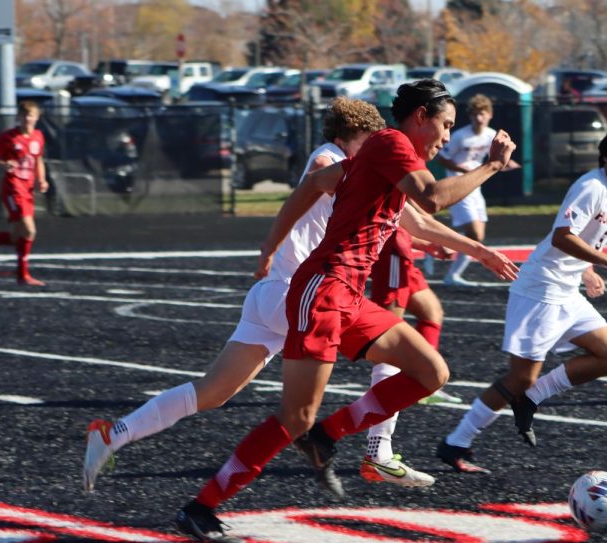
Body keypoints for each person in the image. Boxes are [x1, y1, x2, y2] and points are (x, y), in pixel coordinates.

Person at [174, 79, 518, 543]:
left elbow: (343, 195)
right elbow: (433, 198)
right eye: (445, 125)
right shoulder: (392, 144)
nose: (446, 137)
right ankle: (201, 507)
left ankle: (327, 435)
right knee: (294, 416)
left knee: (431, 372)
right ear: (420, 116)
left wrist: (477, 249)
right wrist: (491, 166)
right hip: (321, 292)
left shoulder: (386, 155)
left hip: (349, 296)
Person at [82, 97, 388, 493]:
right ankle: (376, 449)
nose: (377, 149)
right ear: (353, 135)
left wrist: (467, 247)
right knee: (397, 352)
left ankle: (113, 434)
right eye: (372, 140)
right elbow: (320, 171)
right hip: (298, 296)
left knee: (211, 393)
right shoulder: (329, 158)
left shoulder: (349, 168)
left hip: (273, 296)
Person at [436, 123, 607, 473]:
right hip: (540, 289)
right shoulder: (592, 186)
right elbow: (562, 237)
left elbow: (584, 241)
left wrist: (588, 270)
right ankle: (456, 442)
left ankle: (530, 400)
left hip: (567, 290)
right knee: (519, 378)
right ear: (606, 157)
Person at [359, 228, 460, 488]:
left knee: (431, 311)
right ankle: (377, 450)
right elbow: (425, 204)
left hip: (398, 240)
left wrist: (424, 242)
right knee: (388, 338)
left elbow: (401, 214)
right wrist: (479, 251)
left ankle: (419, 381)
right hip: (391, 245)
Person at [435, 94, 519, 286]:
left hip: (475, 186)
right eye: (474, 114)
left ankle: (441, 250)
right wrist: (463, 169)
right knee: (475, 234)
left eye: (481, 114)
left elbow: (495, 158)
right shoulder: (460, 136)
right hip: (457, 185)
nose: (478, 118)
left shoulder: (491, 135)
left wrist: (508, 162)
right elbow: (442, 158)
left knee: (477, 234)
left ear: (489, 115)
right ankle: (451, 273)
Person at [0, 101, 49, 286]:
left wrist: (42, 179)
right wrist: (3, 164)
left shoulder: (38, 137)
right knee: (30, 230)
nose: (27, 119)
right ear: (18, 117)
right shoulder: (8, 137)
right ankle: (23, 275)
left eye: (30, 115)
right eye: (24, 115)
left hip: (28, 189)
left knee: (18, 236)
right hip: (13, 188)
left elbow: (38, 160)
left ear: (37, 117)